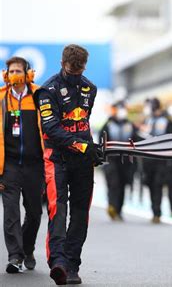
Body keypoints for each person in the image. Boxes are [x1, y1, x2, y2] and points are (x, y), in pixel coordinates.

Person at [34, 44, 103, 285]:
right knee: (58, 210)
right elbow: (51, 129)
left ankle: (73, 265)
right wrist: (81, 145)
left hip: (82, 161)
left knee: (81, 213)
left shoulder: (89, 88)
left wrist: (93, 150)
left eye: (81, 68)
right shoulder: (47, 91)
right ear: (63, 64)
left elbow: (84, 124)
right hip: (56, 159)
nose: (76, 72)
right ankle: (59, 262)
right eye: (73, 68)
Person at [0, 56, 44, 273]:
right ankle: (15, 256)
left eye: (19, 70)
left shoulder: (40, 96)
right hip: (8, 166)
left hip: (35, 166)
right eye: (11, 71)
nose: (14, 74)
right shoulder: (0, 100)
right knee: (10, 212)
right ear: (6, 75)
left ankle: (27, 248)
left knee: (35, 212)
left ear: (28, 74)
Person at [140, 98, 172, 223]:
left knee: (158, 184)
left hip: (162, 158)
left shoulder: (167, 121)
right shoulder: (148, 120)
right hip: (148, 158)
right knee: (150, 184)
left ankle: (157, 212)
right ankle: (154, 210)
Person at [101, 101, 139, 221]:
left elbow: (136, 141)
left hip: (126, 161)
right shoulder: (108, 125)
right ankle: (112, 205)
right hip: (111, 159)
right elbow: (102, 142)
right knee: (113, 183)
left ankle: (119, 210)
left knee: (123, 184)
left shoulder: (130, 125)